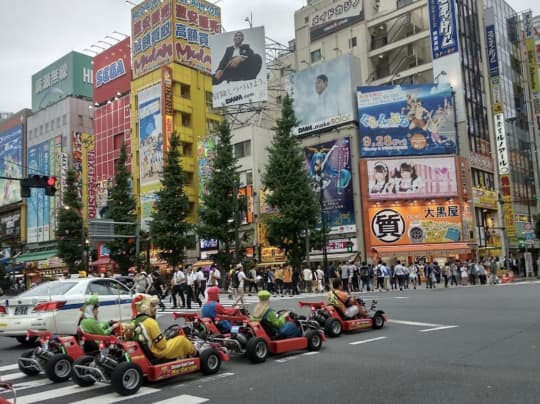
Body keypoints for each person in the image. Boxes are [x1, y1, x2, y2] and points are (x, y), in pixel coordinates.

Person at [131, 294, 196, 360]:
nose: (155, 308)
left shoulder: (134, 322)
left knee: (172, 340)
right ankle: (196, 353)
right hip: (158, 352)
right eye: (152, 306)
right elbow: (162, 345)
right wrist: (166, 339)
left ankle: (182, 356)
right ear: (144, 307)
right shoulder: (150, 322)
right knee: (181, 339)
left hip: (147, 352)